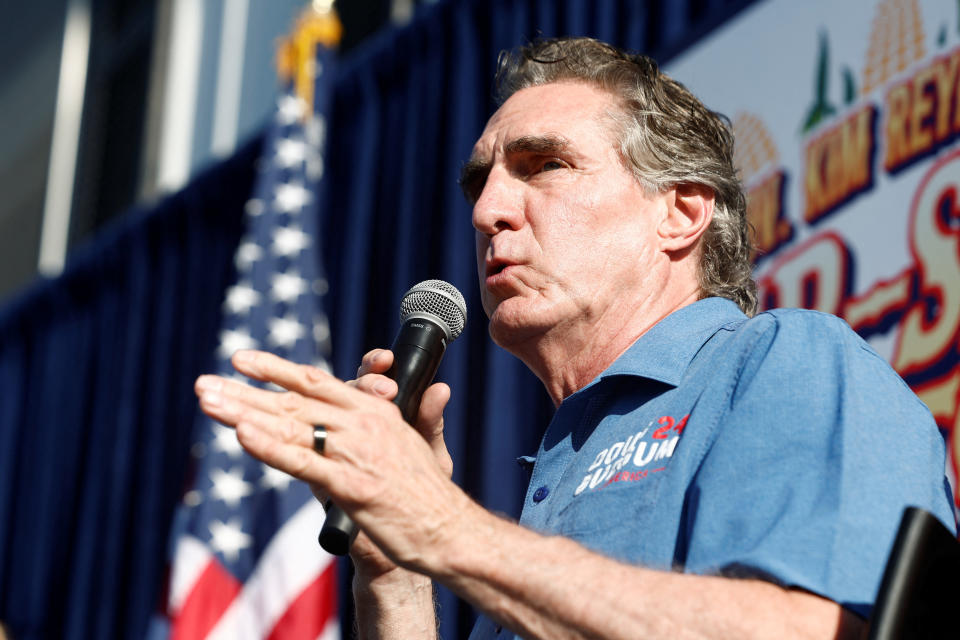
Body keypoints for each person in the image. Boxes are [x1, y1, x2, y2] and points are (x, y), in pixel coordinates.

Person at [195, 38, 955, 639]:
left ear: (682, 212)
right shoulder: (553, 469)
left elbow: (808, 632)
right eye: (481, 182)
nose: (489, 209)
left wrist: (447, 526)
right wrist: (397, 574)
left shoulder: (785, 361)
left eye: (544, 166)